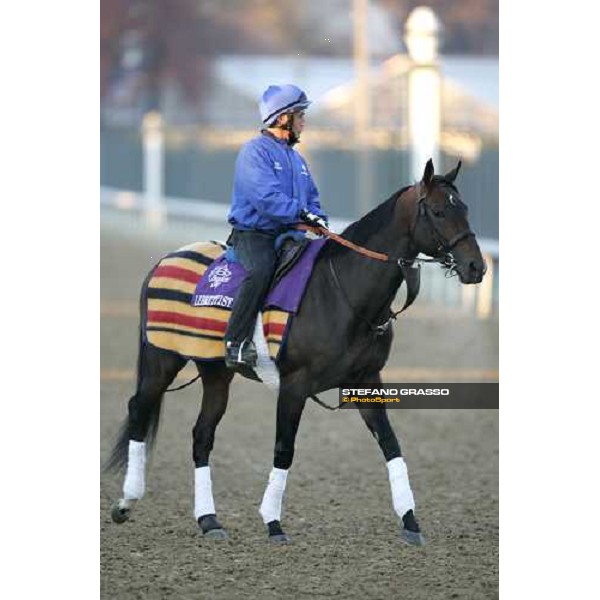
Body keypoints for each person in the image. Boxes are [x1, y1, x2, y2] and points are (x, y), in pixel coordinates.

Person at [224, 84, 328, 369]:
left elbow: (313, 198)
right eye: (300, 115)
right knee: (260, 270)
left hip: (290, 235)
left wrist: (318, 219)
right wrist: (303, 214)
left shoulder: (297, 159)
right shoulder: (254, 152)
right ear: (283, 118)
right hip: (253, 236)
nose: (304, 122)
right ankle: (237, 342)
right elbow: (265, 198)